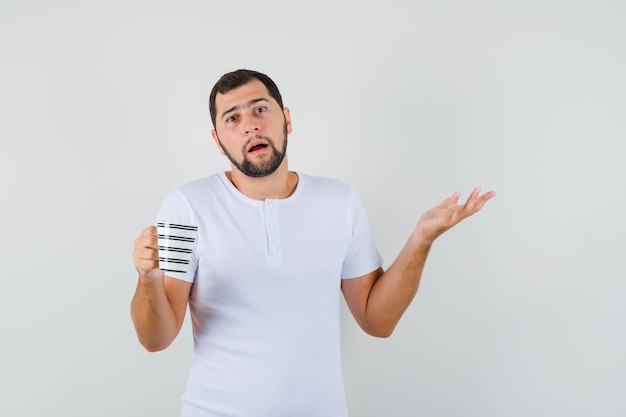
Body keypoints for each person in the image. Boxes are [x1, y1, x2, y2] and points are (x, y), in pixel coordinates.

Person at [131, 68, 496, 417]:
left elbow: (377, 320)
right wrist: (148, 280)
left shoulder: (338, 201)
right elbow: (156, 338)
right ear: (218, 140)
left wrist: (421, 239)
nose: (251, 125)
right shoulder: (186, 206)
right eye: (232, 118)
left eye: (261, 109)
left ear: (287, 119)